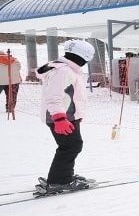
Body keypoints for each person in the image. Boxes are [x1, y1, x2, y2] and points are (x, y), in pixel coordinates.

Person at [34, 39, 96, 194]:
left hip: (67, 115)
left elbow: (72, 94)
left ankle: (64, 175)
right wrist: (60, 119)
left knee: (71, 146)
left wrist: (76, 114)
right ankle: (59, 181)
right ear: (82, 57)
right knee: (70, 146)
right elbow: (53, 96)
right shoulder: (64, 71)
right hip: (61, 117)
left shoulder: (67, 69)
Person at [0, 49, 22, 113]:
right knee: (12, 96)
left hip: (1, 81)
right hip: (13, 81)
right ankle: (10, 108)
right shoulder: (13, 60)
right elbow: (19, 67)